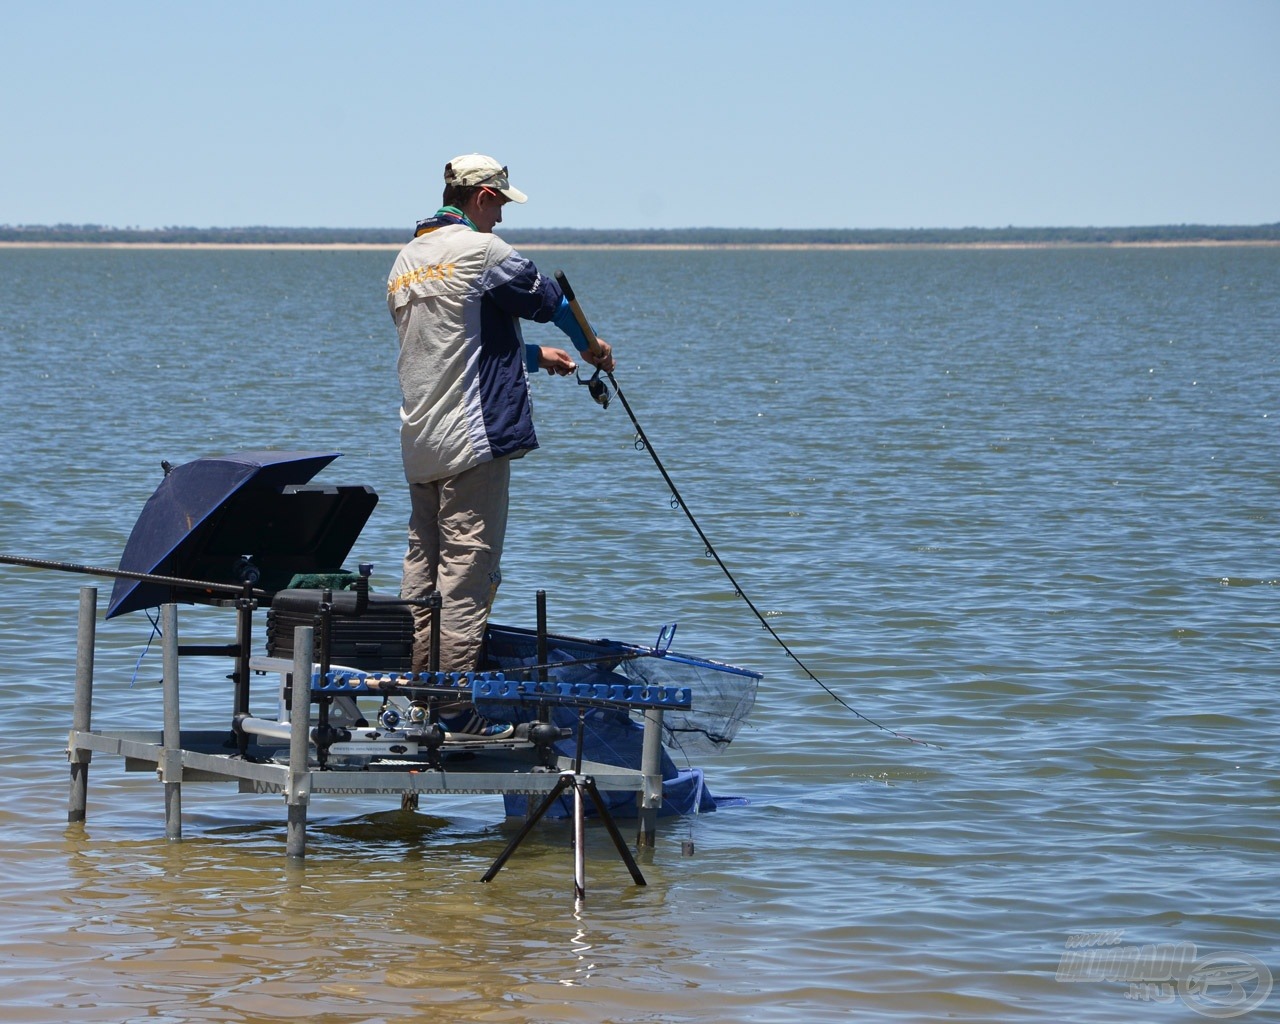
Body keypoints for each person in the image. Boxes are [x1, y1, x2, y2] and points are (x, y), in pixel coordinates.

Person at [385, 153, 614, 737]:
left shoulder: (406, 262)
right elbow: (548, 301)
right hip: (472, 441)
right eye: (501, 205)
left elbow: (456, 349)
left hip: (420, 442)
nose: (502, 220)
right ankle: (457, 710)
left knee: (424, 572)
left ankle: (421, 697)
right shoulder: (480, 252)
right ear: (483, 196)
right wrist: (588, 344)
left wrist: (537, 360)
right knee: (466, 571)